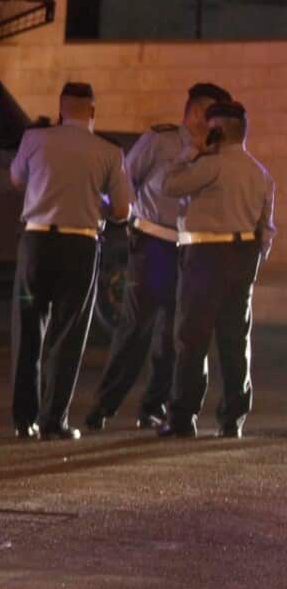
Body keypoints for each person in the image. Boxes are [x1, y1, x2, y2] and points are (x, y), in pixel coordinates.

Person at [86, 83, 232, 432]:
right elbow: (124, 181)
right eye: (211, 113)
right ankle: (103, 406)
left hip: (190, 248)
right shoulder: (160, 140)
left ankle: (153, 407)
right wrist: (126, 221)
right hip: (152, 244)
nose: (215, 122)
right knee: (135, 328)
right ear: (195, 112)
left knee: (172, 335)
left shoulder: (215, 151)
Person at [10, 82, 131, 441]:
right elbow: (122, 210)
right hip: (80, 244)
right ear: (92, 111)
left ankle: (23, 419)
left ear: (60, 109)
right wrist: (95, 200)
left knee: (27, 329)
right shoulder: (109, 152)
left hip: (36, 241)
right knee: (68, 332)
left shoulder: (34, 139)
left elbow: (16, 178)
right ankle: (53, 420)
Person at [159, 101, 275, 438]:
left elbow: (169, 184)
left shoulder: (211, 165)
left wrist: (191, 152)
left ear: (217, 132)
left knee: (192, 338)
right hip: (243, 256)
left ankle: (183, 418)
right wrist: (254, 260)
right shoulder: (260, 173)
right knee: (235, 340)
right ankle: (232, 420)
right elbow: (267, 228)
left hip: (204, 257)